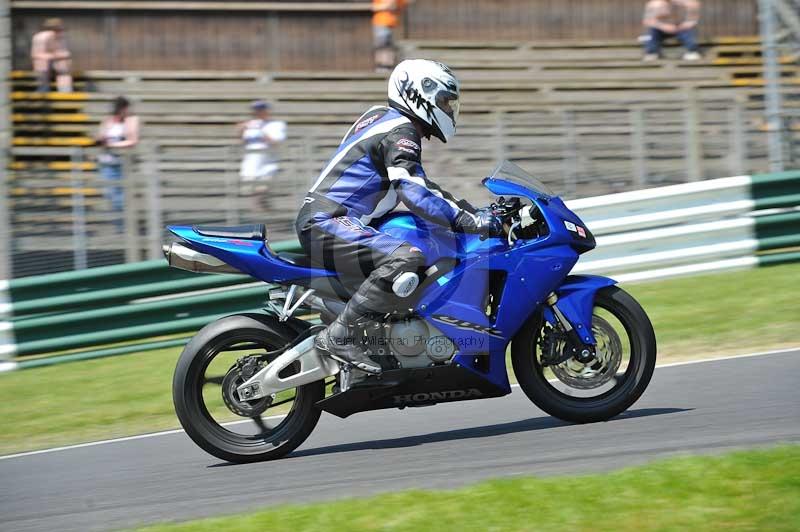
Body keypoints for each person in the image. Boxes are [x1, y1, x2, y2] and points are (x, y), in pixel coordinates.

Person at [295, 59, 502, 374]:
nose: (448, 109)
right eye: (445, 101)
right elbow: (413, 191)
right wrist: (469, 221)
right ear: (420, 93)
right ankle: (340, 336)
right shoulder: (400, 130)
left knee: (413, 245)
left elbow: (419, 185)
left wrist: (468, 210)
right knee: (407, 257)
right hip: (328, 219)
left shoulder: (382, 118)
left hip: (332, 218)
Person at [96, 96, 140, 230]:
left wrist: (114, 145)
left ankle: (123, 226)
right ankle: (120, 223)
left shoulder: (131, 120)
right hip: (107, 162)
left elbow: (133, 141)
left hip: (122, 163)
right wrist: (101, 140)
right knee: (109, 194)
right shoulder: (108, 121)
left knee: (120, 197)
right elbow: (101, 136)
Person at [237, 101, 287, 208]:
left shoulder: (277, 124)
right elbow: (244, 142)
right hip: (251, 158)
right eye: (256, 110)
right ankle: (258, 206)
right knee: (248, 186)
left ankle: (260, 204)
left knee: (264, 184)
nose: (258, 112)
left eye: (261, 110)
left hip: (268, 158)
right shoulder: (250, 124)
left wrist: (261, 130)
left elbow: (275, 142)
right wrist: (240, 131)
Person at [30, 18, 73, 93]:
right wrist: (54, 56)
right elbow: (36, 55)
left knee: (63, 65)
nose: (59, 31)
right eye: (56, 28)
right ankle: (43, 90)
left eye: (59, 28)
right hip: (43, 66)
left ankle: (65, 92)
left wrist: (57, 55)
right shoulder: (40, 37)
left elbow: (65, 53)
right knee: (43, 64)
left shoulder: (61, 37)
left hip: (57, 65)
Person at [373, 0, 414, 72]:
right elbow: (386, 5)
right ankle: (382, 68)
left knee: (390, 47)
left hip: (393, 23)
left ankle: (388, 68)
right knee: (382, 46)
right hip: (382, 22)